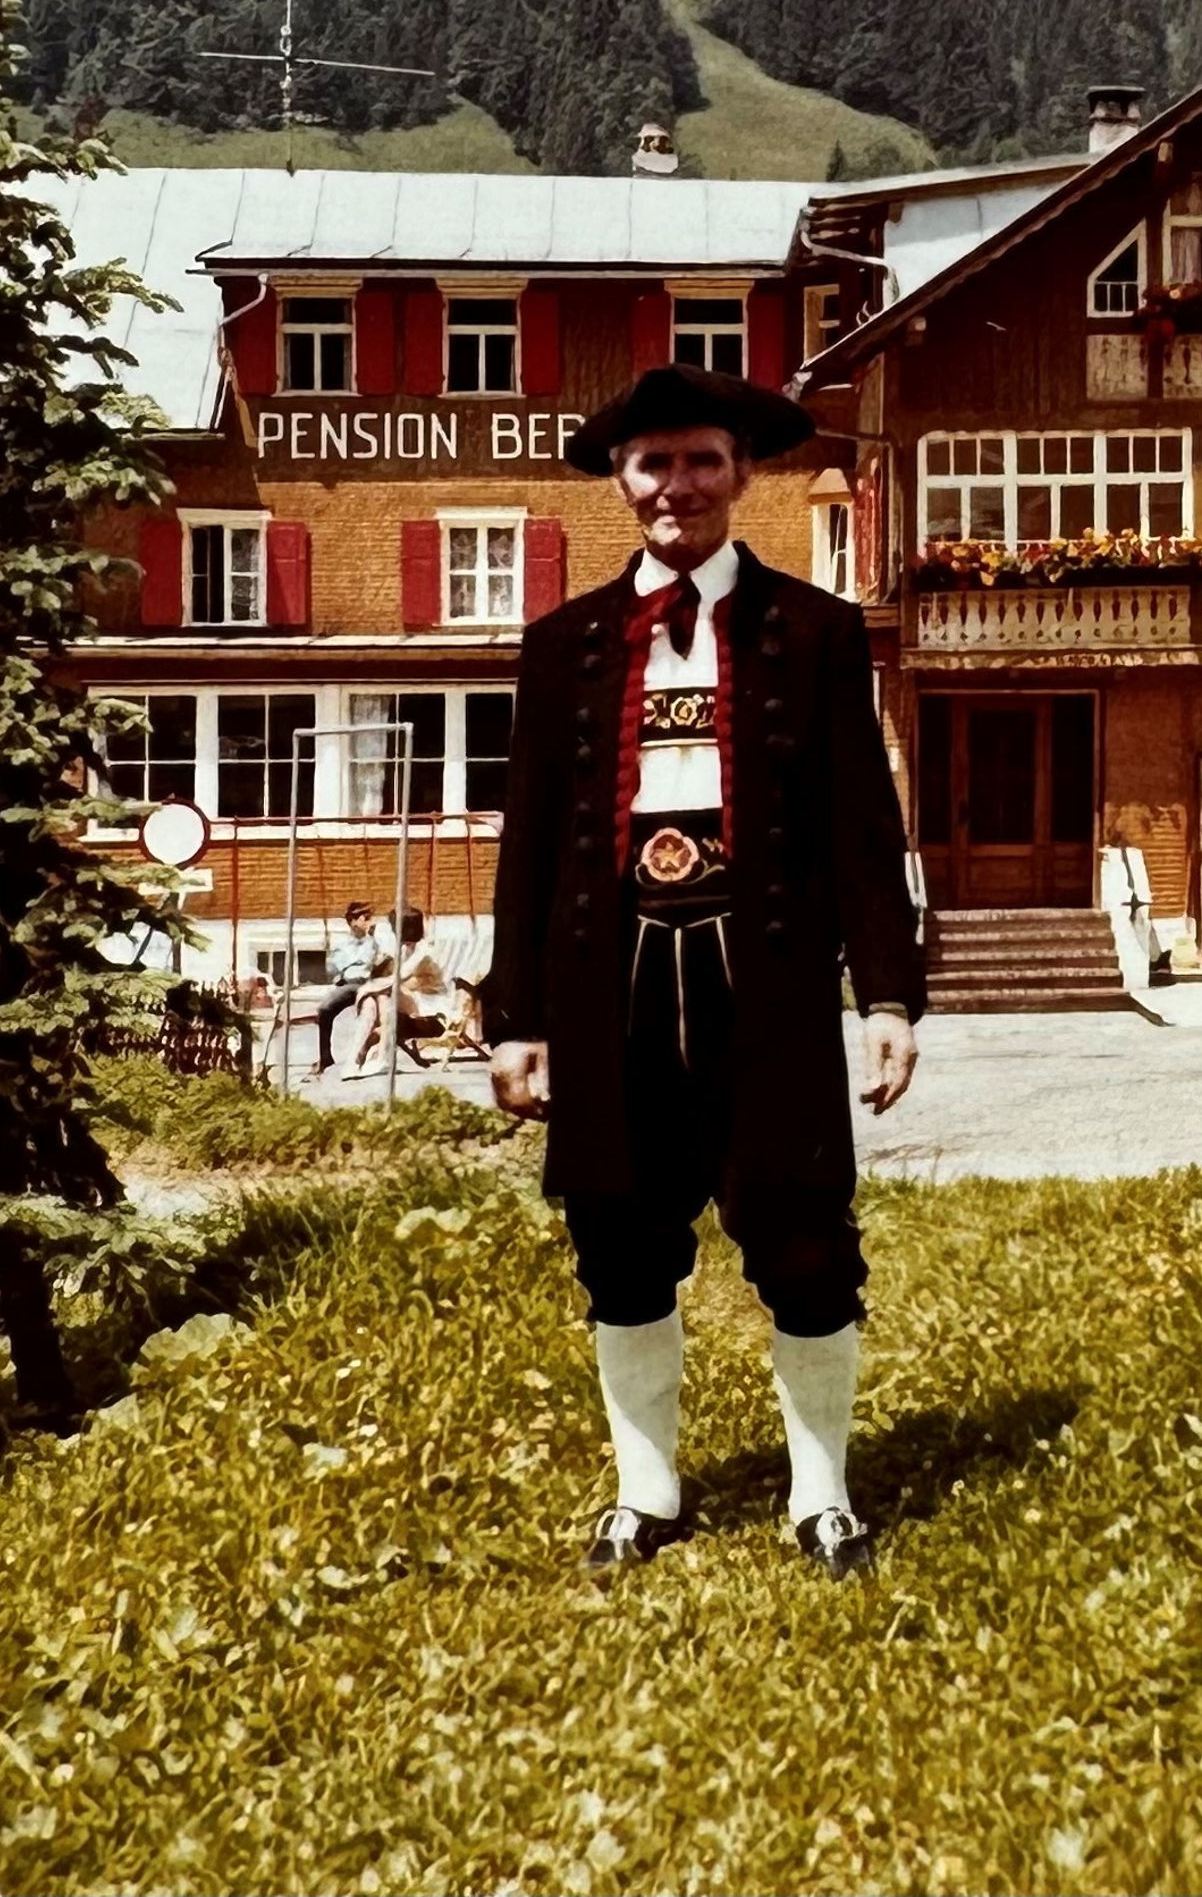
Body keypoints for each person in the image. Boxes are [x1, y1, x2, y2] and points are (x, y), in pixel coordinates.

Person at [483, 362, 924, 1582]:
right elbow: (527, 841)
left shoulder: (815, 632)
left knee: (802, 1238)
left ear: (741, 476)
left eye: (700, 461)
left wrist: (888, 995)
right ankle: (646, 1494)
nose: (675, 486)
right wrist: (514, 1018)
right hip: (608, 980)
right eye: (652, 463)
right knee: (619, 1240)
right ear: (619, 481)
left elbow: (861, 830)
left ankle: (820, 1497)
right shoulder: (562, 645)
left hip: (764, 982)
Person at [346, 907, 447, 1075]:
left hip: (432, 1013)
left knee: (385, 994)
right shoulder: (404, 950)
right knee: (373, 1001)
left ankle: (380, 1058)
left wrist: (365, 989)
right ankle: (354, 1060)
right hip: (408, 1008)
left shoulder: (424, 951)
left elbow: (398, 977)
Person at [312, 900, 380, 1075]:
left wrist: (351, 964)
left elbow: (366, 964)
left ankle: (367, 1056)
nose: (369, 923)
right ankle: (325, 1056)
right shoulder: (340, 943)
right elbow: (335, 967)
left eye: (369, 918)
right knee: (324, 1009)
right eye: (365, 918)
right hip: (347, 984)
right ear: (353, 921)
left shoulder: (372, 943)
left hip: (365, 984)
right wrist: (352, 965)